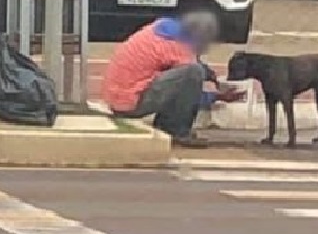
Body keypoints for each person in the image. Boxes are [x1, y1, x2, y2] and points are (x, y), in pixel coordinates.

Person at [102, 11, 244, 148]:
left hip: (118, 97)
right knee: (193, 72)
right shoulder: (178, 47)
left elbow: (189, 63)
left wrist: (214, 79)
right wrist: (216, 97)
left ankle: (166, 126)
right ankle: (176, 130)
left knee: (190, 71)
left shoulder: (162, 29)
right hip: (129, 102)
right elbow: (189, 89)